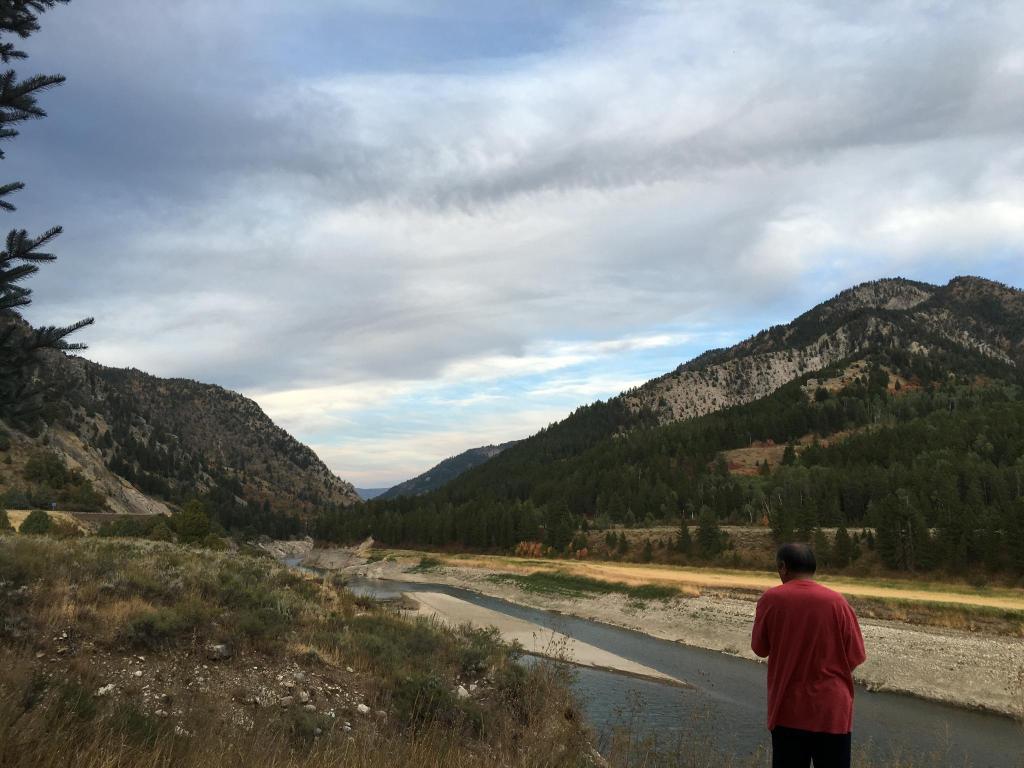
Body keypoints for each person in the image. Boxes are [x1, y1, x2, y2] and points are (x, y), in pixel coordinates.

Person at [751, 542, 866, 768]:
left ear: (783, 567)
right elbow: (855, 656)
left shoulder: (771, 599)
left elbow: (760, 649)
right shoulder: (838, 602)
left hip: (788, 709)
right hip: (832, 711)